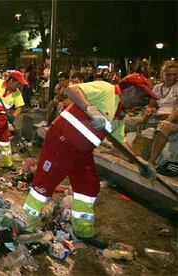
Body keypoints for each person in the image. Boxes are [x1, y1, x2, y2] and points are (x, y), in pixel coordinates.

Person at [22, 73, 159, 248]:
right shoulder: (106, 89)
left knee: (88, 187)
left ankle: (83, 230)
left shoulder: (119, 112)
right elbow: (72, 90)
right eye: (143, 96)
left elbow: (121, 141)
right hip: (61, 141)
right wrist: (91, 109)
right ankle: (26, 226)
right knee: (44, 184)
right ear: (131, 90)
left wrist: (140, 162)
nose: (143, 101)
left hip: (82, 151)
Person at [138, 61, 178, 165]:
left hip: (173, 119)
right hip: (157, 117)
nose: (172, 77)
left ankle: (151, 161)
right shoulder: (157, 87)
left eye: (175, 74)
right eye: (168, 74)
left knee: (162, 128)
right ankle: (123, 152)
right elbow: (152, 105)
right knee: (130, 122)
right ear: (162, 74)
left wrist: (167, 121)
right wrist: (145, 116)